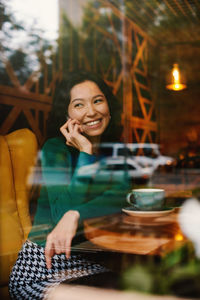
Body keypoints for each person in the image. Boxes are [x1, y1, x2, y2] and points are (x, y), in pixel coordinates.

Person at [9, 70, 131, 299]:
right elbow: (60, 213)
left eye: (97, 101)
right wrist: (85, 152)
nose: (92, 112)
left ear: (108, 105)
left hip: (87, 265)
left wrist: (76, 214)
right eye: (79, 105)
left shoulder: (114, 152)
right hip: (40, 269)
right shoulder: (55, 149)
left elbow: (120, 196)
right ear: (66, 115)